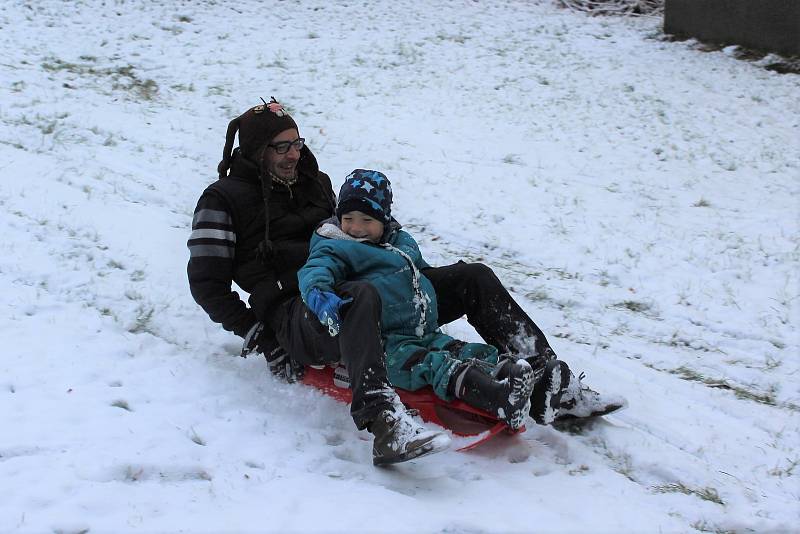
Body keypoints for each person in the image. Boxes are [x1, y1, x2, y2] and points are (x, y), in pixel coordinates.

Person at [187, 98, 624, 465]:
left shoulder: (314, 182)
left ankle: (550, 382)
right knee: (358, 296)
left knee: (473, 276)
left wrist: (410, 272)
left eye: (297, 142)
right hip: (302, 314)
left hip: (372, 289)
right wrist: (261, 335)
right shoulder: (222, 201)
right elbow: (207, 285)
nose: (294, 154)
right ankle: (384, 424)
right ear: (256, 151)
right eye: (281, 147)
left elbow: (358, 229)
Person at [297, 169, 576, 430]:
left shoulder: (401, 242)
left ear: (384, 220)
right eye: (348, 219)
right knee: (434, 365)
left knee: (466, 352)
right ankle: (497, 397)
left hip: (421, 330)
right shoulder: (336, 244)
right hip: (384, 340)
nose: (356, 228)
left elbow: (419, 276)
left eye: (367, 220)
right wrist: (321, 296)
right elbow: (316, 271)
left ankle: (533, 383)